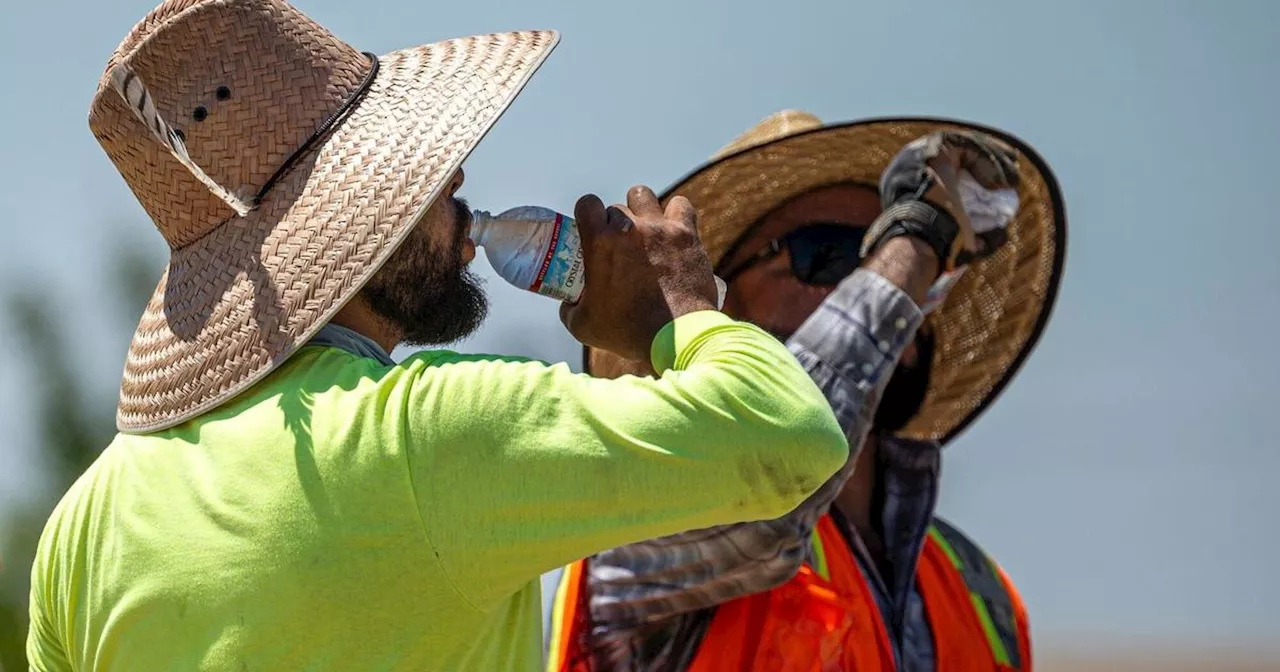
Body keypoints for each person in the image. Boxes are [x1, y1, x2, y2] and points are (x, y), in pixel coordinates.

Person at [25, 4, 854, 670]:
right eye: (420, 172)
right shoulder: (428, 435)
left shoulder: (82, 529)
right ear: (351, 218)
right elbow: (791, 435)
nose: (456, 177)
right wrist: (678, 309)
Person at [546, 111, 1068, 671]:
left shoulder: (981, 590)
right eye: (828, 253)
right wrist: (919, 233)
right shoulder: (646, 513)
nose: (883, 278)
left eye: (885, 254)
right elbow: (769, 481)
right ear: (721, 311)